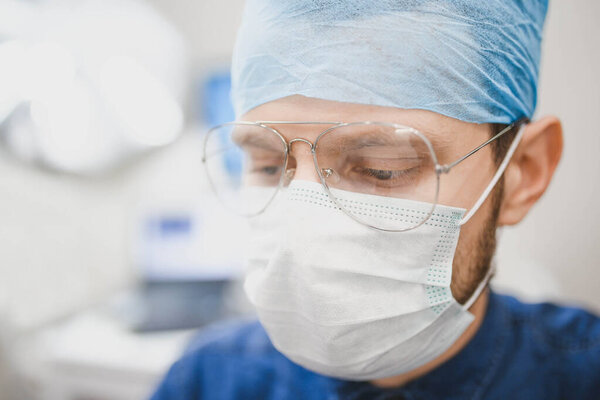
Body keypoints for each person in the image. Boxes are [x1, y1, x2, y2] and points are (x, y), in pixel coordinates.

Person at [151, 1, 600, 399]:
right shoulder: (207, 381)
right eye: (269, 166)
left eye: (382, 169)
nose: (302, 230)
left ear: (524, 171)